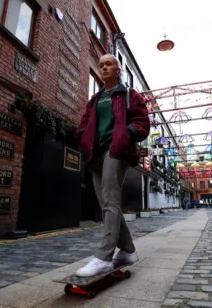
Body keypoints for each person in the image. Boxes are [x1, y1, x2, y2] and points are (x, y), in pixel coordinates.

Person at [75, 54, 150, 277]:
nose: (104, 68)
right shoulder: (95, 99)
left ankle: (104, 257)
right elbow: (84, 124)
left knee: (110, 200)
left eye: (109, 64)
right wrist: (82, 137)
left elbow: (142, 122)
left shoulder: (129, 95)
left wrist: (127, 134)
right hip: (96, 154)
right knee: (106, 203)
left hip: (117, 151)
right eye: (100, 65)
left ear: (118, 70)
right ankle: (128, 250)